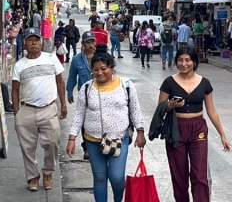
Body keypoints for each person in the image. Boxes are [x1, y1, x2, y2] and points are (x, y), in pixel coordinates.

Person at [66, 44, 146, 202]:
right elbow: (79, 115)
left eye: (103, 69)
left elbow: (135, 110)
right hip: (93, 141)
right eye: (95, 70)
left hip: (118, 140)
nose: (99, 73)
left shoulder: (126, 86)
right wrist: (72, 138)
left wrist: (140, 132)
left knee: (117, 178)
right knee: (100, 178)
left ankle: (117, 199)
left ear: (112, 67)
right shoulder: (87, 88)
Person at [158, 46, 230, 202]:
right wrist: (170, 106)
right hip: (176, 129)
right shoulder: (169, 83)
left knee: (200, 174)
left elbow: (211, 111)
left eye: (187, 60)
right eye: (180, 60)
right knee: (179, 174)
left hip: (198, 129)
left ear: (194, 62)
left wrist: (222, 134)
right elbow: (160, 109)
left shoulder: (204, 83)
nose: (184, 64)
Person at [11, 27, 67, 191]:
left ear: (41, 42)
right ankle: (33, 177)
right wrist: (17, 112)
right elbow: (14, 90)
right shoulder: (20, 65)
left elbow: (60, 82)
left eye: (36, 39)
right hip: (26, 110)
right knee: (27, 148)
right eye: (30, 40)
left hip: (48, 109)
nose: (34, 42)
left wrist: (63, 103)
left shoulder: (51, 59)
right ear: (25, 43)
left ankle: (48, 173)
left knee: (52, 142)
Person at [67, 31, 98, 160]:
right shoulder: (77, 59)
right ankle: (87, 147)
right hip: (84, 96)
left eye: (92, 42)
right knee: (84, 123)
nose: (90, 45)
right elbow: (72, 77)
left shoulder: (102, 57)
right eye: (88, 42)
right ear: (83, 44)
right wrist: (69, 91)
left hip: (100, 94)